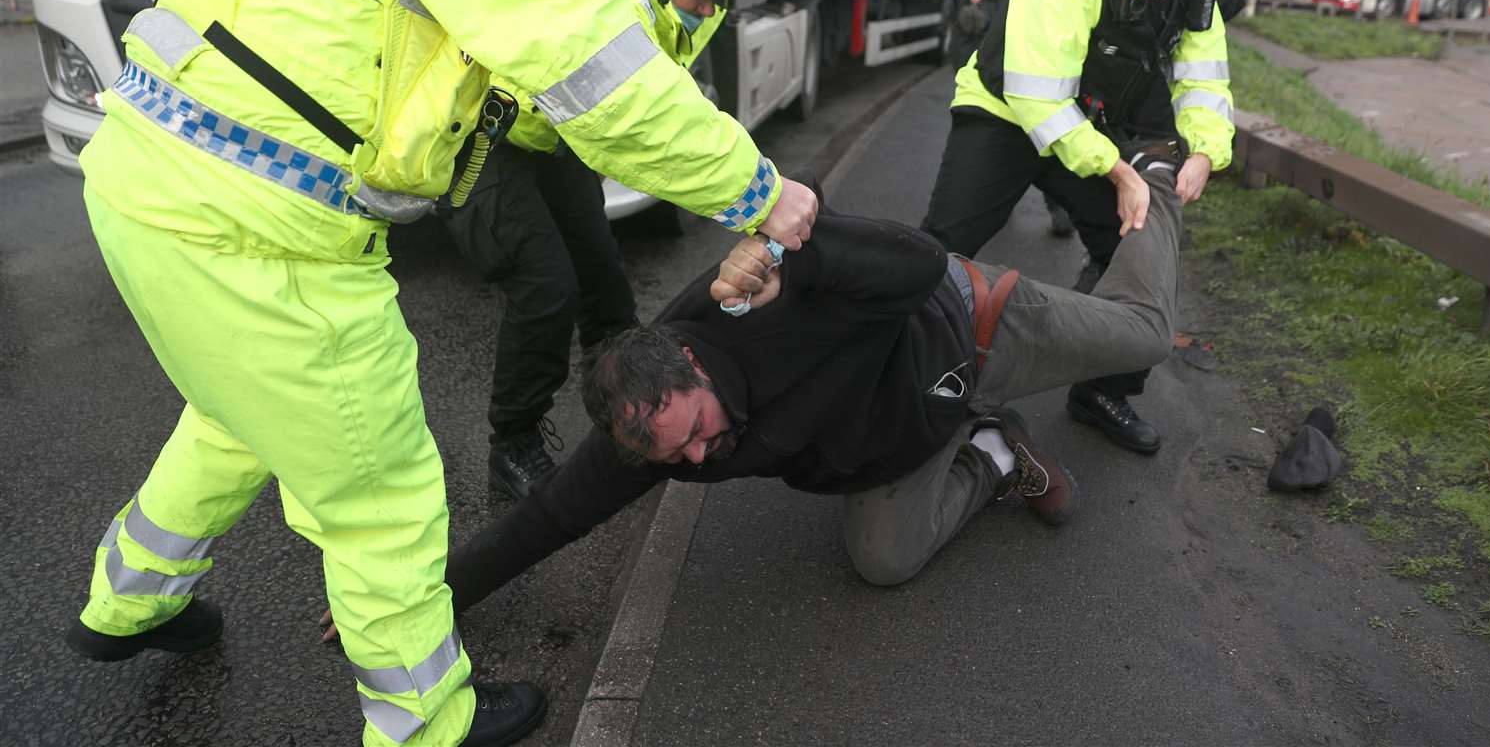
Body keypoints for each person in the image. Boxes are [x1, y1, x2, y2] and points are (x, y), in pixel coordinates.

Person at [60, 0, 818, 745]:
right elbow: (592, 73)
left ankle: (127, 600)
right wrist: (759, 191)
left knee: (235, 414)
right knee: (385, 489)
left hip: (151, 176)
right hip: (265, 230)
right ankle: (425, 722)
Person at [401, 146, 1182, 619]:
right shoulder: (652, 430)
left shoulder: (754, 295)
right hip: (909, 434)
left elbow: (914, 260)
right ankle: (995, 449)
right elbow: (548, 517)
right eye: (681, 457)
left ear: (695, 363)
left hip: (974, 331)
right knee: (883, 565)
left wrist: (788, 251)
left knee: (1142, 335)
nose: (702, 459)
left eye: (700, 432)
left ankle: (1158, 184)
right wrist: (433, 601)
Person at [920, 0, 1253, 457]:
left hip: (1088, 125)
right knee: (941, 247)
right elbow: (1038, 97)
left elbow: (1204, 72)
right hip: (1004, 113)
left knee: (1131, 246)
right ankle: (911, 372)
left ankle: (1102, 389)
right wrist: (1118, 171)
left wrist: (1207, 150)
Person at [443, 0, 774, 498]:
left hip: (556, 133)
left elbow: (663, 87)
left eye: (715, 0)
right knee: (545, 286)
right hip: (488, 127)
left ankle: (630, 416)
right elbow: (624, 119)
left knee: (605, 283)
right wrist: (746, 199)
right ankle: (510, 446)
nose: (706, 12)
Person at [955, 0, 1091, 237]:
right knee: (1003, 127)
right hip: (1005, 40)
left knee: (1051, 124)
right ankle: (996, 198)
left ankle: (1061, 205)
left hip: (1053, 42)